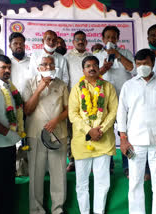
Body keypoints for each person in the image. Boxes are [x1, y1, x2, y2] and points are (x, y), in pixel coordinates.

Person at [117, 49, 156, 214]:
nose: (142, 67)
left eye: (146, 63)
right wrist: (123, 139)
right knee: (135, 183)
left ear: (153, 63)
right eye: (139, 64)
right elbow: (121, 114)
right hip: (135, 143)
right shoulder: (128, 86)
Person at [68, 55, 118, 214]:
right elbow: (72, 114)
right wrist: (88, 130)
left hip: (103, 140)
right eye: (88, 65)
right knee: (81, 183)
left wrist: (101, 129)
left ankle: (99, 211)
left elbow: (114, 111)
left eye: (95, 65)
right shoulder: (77, 88)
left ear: (99, 68)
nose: (92, 68)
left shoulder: (108, 87)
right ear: (83, 70)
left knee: (102, 181)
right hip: (82, 141)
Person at [23, 55, 69, 214]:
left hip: (58, 134)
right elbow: (27, 110)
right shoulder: (29, 83)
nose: (48, 67)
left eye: (51, 64)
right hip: (35, 134)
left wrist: (56, 120)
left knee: (59, 174)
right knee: (36, 173)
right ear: (38, 68)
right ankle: (36, 209)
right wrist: (39, 88)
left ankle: (58, 209)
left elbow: (68, 109)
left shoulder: (62, 85)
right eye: (44, 64)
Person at [0, 55, 24, 214]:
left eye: (9, 67)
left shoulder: (10, 87)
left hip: (9, 145)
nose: (7, 70)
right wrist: (8, 133)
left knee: (8, 186)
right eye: (3, 67)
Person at [94, 25, 135, 177]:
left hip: (125, 100)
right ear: (103, 39)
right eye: (108, 37)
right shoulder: (98, 56)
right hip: (105, 102)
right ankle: (108, 166)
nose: (110, 40)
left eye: (113, 37)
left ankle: (128, 165)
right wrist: (104, 68)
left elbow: (134, 69)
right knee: (106, 133)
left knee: (126, 133)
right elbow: (92, 77)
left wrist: (118, 55)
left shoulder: (125, 53)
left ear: (118, 39)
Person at [65, 31, 92, 172]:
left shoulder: (91, 58)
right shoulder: (67, 58)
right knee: (72, 132)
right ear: (73, 42)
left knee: (88, 130)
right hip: (72, 100)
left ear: (86, 42)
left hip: (90, 101)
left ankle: (89, 159)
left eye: (83, 39)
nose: (80, 42)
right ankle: (72, 161)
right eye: (78, 40)